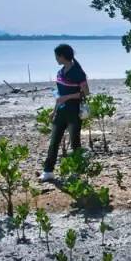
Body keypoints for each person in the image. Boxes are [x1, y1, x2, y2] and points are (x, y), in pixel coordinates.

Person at [39, 44, 89, 182]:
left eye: (56, 56)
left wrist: (67, 97)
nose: (55, 59)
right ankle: (48, 171)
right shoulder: (60, 73)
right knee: (54, 142)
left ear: (62, 56)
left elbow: (86, 93)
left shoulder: (78, 72)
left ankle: (77, 171)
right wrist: (53, 111)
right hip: (60, 112)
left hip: (74, 112)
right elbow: (59, 95)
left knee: (75, 143)